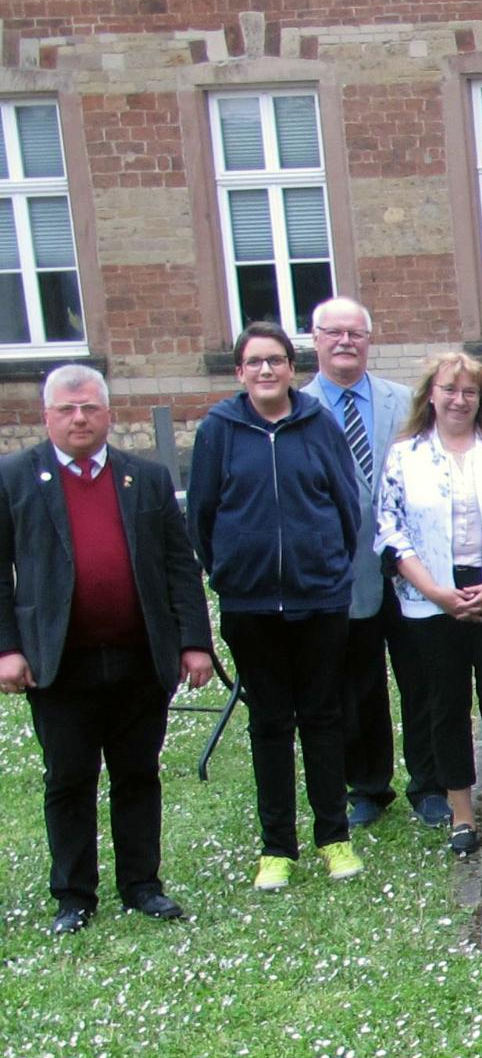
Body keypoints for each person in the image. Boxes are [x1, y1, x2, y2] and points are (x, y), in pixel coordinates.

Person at [0, 364, 214, 933]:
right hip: (59, 662)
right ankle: (74, 896)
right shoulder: (14, 478)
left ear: (108, 414)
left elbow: (178, 564)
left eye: (90, 407)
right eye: (67, 409)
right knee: (68, 778)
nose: (79, 418)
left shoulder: (143, 478)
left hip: (139, 657)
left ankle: (142, 885)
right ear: (45, 416)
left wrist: (194, 642)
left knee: (137, 774)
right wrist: (6, 649)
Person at [190, 323, 369, 890]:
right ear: (240, 372)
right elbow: (201, 514)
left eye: (275, 361)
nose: (265, 371)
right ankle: (277, 848)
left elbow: (346, 506)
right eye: (254, 363)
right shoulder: (220, 430)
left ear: (292, 368)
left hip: (319, 599)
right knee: (269, 723)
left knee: (322, 716)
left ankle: (333, 838)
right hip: (251, 603)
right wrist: (230, 572)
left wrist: (326, 569)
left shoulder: (319, 424)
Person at [376, 352, 482, 855]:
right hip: (430, 600)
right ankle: (462, 813)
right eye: (449, 389)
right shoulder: (405, 455)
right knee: (445, 704)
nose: (459, 399)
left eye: (469, 391)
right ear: (431, 394)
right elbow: (390, 529)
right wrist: (434, 592)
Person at [302, 297, 434, 831]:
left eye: (355, 333)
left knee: (422, 680)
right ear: (314, 340)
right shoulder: (298, 408)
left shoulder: (405, 402)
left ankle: (429, 784)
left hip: (411, 570)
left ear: (369, 339)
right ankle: (369, 787)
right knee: (358, 686)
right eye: (333, 333)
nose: (345, 342)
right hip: (341, 572)